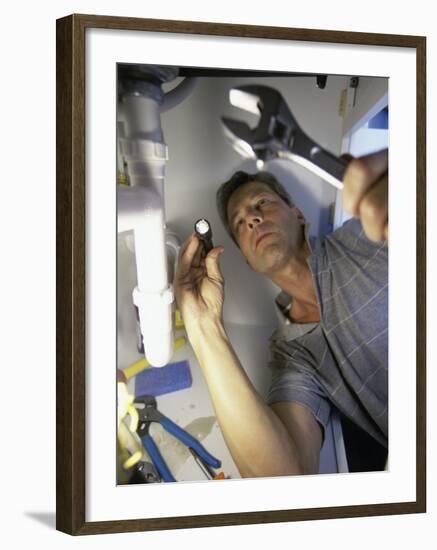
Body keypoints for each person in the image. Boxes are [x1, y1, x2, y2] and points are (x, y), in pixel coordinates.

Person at [174, 149, 388, 477]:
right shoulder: (292, 355)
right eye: (239, 223)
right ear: (247, 258)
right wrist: (203, 325)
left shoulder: (365, 238)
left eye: (262, 203)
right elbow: (282, 478)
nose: (251, 219)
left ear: (298, 214)